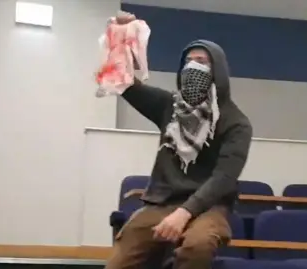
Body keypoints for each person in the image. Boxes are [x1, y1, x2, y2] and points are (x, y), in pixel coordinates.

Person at [106, 11, 253, 269]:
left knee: (198, 246)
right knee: (120, 261)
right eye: (188, 61)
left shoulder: (237, 123)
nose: (193, 66)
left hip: (209, 207)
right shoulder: (169, 106)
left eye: (202, 61)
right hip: (160, 202)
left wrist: (184, 213)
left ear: (218, 69)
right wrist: (122, 36)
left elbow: (224, 179)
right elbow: (126, 83)